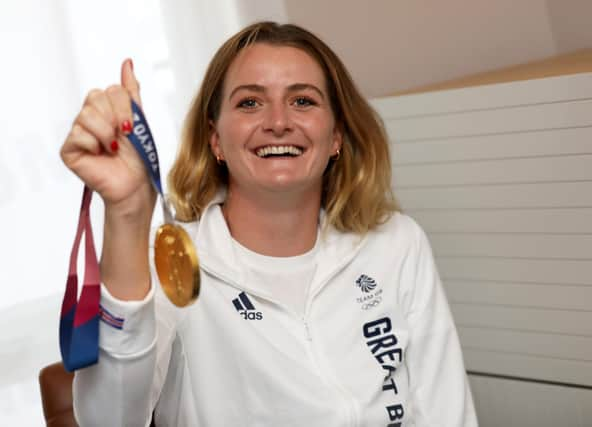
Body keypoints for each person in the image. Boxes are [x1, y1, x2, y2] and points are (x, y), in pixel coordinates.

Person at [61, 21, 478, 427]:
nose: (278, 121)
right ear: (215, 139)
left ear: (336, 135)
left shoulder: (396, 242)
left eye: (303, 101)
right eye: (249, 102)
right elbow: (107, 420)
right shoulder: (171, 264)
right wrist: (128, 214)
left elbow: (447, 413)